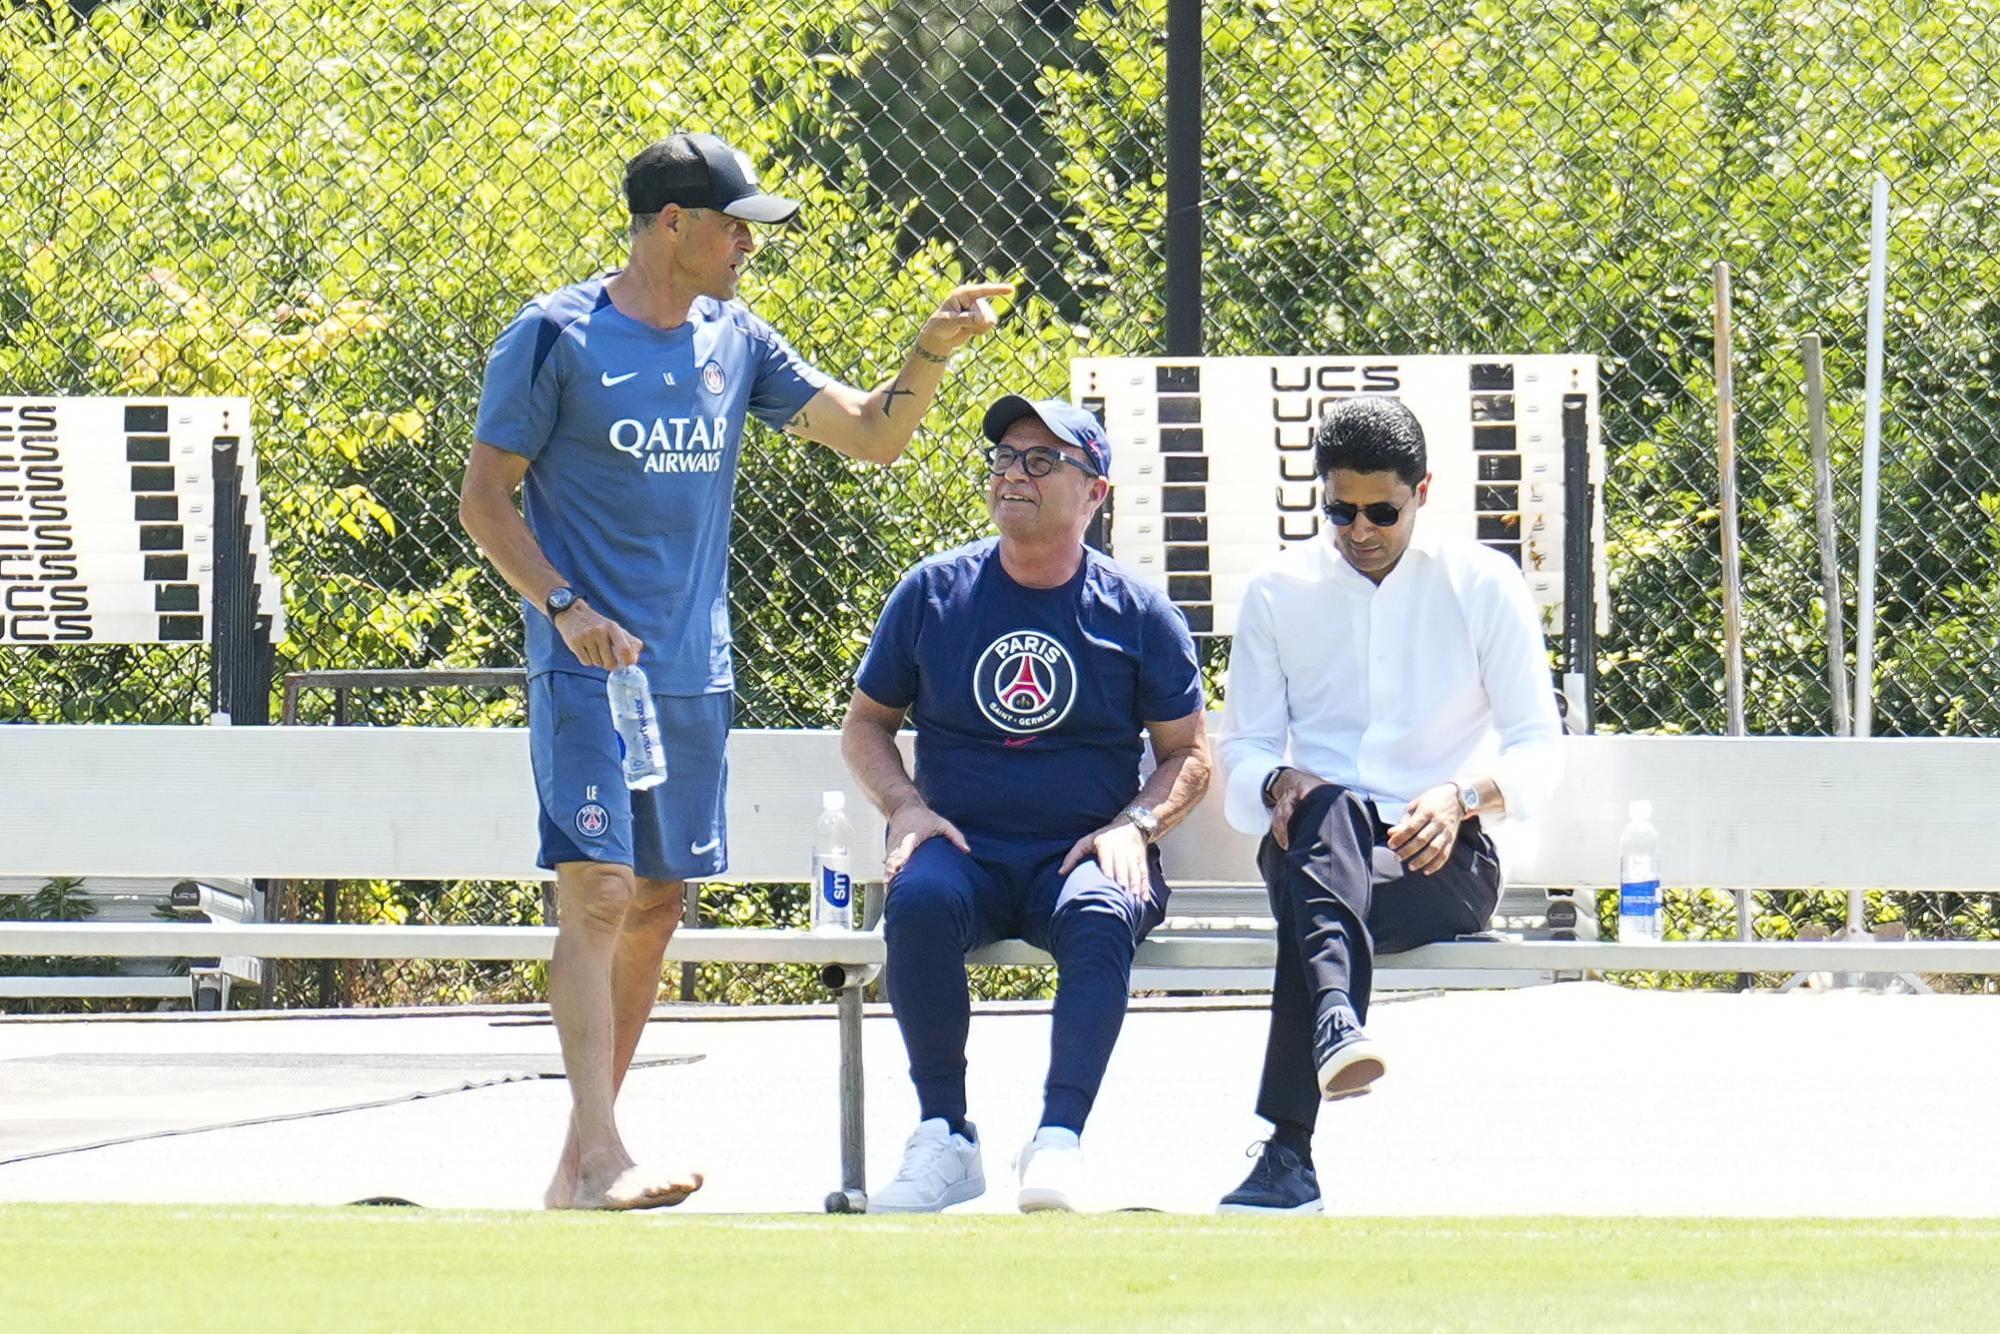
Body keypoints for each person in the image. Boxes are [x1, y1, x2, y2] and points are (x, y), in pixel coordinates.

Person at [459, 130, 1009, 1211]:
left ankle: (578, 1167)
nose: (748, 245)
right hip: (587, 670)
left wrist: (930, 349)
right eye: (734, 225)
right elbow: (485, 501)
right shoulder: (554, 336)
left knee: (657, 904)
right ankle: (609, 1153)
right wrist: (564, 607)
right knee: (598, 890)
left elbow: (870, 436)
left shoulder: (734, 338)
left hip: (692, 675)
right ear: (672, 224)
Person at [841, 396, 1211, 1213]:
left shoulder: (1139, 611)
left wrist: (1136, 826)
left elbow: (1189, 752)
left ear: (1095, 494)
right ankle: (945, 1138)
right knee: (921, 899)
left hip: (1079, 851)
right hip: (964, 850)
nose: (1014, 474)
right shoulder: (932, 592)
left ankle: (1059, 1141)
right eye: (1006, 457)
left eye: (1042, 461)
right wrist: (903, 807)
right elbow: (866, 726)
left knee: (1099, 911)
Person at [1213, 395, 1562, 1215]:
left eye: (1381, 510)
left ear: (1423, 491)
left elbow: (1541, 750)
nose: (1359, 528)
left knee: (1316, 907)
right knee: (1324, 807)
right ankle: (1337, 1023)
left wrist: (1461, 795)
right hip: (1315, 838)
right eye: (1339, 508)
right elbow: (1246, 752)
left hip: (1442, 852)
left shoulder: (1483, 582)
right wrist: (1277, 782)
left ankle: (1289, 1153)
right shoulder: (1276, 590)